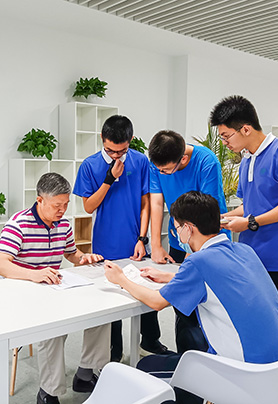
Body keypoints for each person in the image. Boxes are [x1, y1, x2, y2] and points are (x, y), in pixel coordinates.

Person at [104, 191, 278, 404]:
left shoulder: (198, 262)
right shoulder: (243, 250)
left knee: (146, 367)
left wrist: (121, 279)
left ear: (188, 229)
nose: (176, 234)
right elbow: (220, 280)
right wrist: (170, 277)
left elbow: (156, 302)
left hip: (243, 373)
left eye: (177, 228)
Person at [210, 95, 278, 404]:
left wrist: (251, 222)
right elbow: (249, 206)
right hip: (252, 261)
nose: (225, 142)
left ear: (245, 128)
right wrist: (224, 218)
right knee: (265, 331)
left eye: (226, 136)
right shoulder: (247, 160)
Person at [0, 172, 109, 404]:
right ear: (40, 200)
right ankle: (49, 392)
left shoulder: (63, 224)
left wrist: (84, 258)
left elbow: (71, 253)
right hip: (23, 293)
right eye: (57, 205)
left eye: (66, 204)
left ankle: (85, 374)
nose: (62, 210)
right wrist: (34, 275)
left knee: (101, 312)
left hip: (54, 288)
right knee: (54, 328)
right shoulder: (18, 224)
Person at [73, 115, 167, 362]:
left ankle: (150, 342)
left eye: (121, 151)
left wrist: (142, 238)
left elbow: (146, 202)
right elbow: (88, 207)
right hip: (105, 243)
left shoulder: (140, 161)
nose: (116, 155)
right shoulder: (89, 165)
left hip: (135, 242)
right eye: (110, 150)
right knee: (110, 300)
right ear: (102, 139)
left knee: (146, 290)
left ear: (131, 140)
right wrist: (109, 178)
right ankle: (114, 352)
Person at [147, 129, 228, 353]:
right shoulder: (158, 162)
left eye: (166, 171)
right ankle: (186, 359)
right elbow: (157, 203)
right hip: (179, 239)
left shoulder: (206, 162)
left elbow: (206, 210)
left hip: (206, 242)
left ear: (183, 159)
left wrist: (194, 255)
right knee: (182, 305)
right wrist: (156, 245)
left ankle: (209, 358)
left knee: (205, 306)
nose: (162, 174)